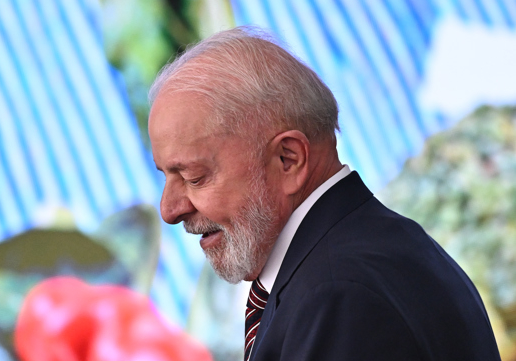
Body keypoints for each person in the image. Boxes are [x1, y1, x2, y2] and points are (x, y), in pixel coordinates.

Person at [147, 26, 501, 360]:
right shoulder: (372, 250)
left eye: (194, 177)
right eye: (165, 176)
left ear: (289, 159)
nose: (169, 209)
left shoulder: (338, 293)